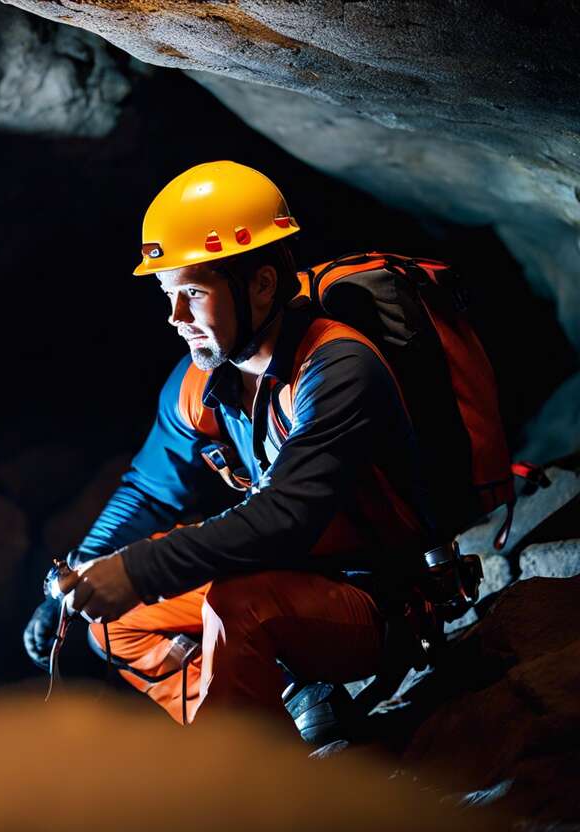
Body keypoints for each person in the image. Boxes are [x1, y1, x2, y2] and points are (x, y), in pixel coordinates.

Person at [23, 161, 437, 731]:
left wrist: (140, 569)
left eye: (193, 291)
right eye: (169, 294)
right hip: (278, 577)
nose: (176, 317)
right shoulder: (202, 380)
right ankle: (282, 702)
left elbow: (286, 516)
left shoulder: (339, 367)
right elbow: (147, 490)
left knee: (238, 606)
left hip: (372, 600)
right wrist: (78, 579)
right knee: (111, 621)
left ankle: (237, 778)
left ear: (262, 283)